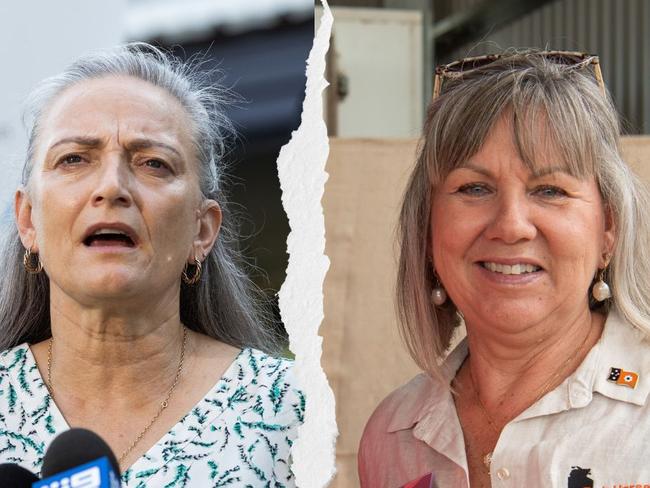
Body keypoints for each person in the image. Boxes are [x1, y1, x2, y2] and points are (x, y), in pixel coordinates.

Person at [0, 43, 304, 486]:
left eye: (153, 164)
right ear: (29, 220)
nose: (111, 187)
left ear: (203, 230)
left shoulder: (294, 408)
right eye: (74, 159)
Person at [358, 50, 650, 487]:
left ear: (607, 229)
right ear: (426, 229)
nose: (511, 226)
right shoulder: (392, 435)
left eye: (550, 190)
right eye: (474, 188)